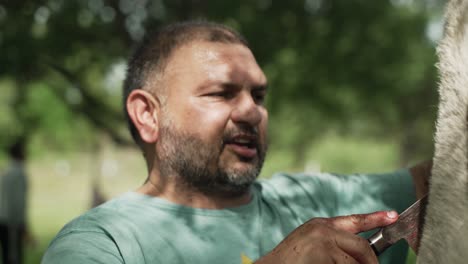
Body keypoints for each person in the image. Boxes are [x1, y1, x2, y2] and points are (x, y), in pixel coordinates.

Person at [42, 21, 430, 264]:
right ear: (147, 114)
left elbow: (448, 178)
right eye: (220, 93)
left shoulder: (316, 201)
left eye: (258, 96)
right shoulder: (100, 242)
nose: (251, 112)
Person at [0, 139, 29, 264]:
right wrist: (22, 223)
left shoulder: (7, 171)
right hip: (12, 222)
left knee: (7, 255)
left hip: (3, 219)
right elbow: (18, 202)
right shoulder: (18, 173)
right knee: (14, 257)